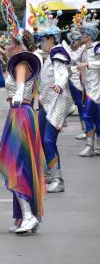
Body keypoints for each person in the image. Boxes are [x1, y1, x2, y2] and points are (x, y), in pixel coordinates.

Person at [0, 30, 45, 234]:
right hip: (19, 114)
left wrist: (17, 95)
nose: (5, 48)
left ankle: (29, 216)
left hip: (21, 114)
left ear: (18, 46)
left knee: (17, 164)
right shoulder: (16, 65)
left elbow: (21, 87)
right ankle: (25, 215)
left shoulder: (21, 64)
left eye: (8, 44)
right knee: (17, 163)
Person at [35, 20, 73, 193]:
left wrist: (59, 83)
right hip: (46, 103)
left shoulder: (57, 52)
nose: (40, 43)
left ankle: (58, 180)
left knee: (49, 140)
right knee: (42, 140)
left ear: (51, 39)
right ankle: (50, 174)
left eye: (43, 40)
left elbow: (62, 72)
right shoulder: (49, 56)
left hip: (57, 102)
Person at [76, 17, 100, 157]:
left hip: (96, 89)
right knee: (96, 118)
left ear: (90, 35)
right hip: (87, 88)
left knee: (87, 116)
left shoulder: (97, 47)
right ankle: (97, 147)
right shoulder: (83, 49)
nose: (81, 36)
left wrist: (87, 65)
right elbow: (72, 58)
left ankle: (90, 146)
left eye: (83, 33)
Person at [64, 27, 87, 140]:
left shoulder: (83, 49)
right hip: (69, 78)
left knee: (81, 104)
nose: (78, 41)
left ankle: (86, 129)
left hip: (80, 79)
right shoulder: (66, 49)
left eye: (79, 39)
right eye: (76, 39)